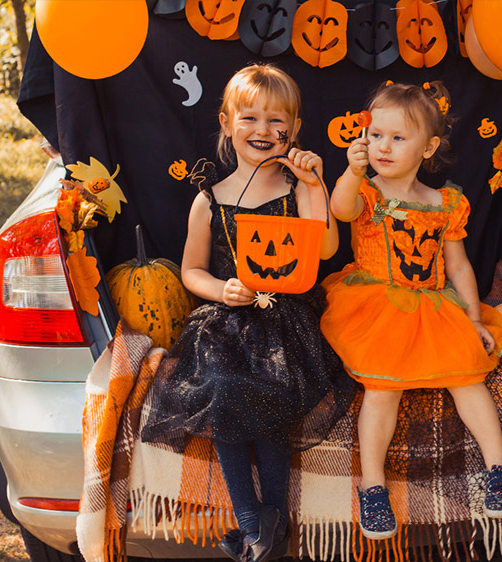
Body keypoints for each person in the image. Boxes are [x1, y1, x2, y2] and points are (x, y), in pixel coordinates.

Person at [139, 64, 356, 562]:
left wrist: (316, 184)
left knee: (271, 398)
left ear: (294, 130)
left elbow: (324, 248)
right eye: (250, 118)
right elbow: (190, 270)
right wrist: (221, 288)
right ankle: (258, 524)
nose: (263, 130)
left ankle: (260, 533)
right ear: (226, 122)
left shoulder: (298, 188)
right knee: (224, 391)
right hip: (227, 323)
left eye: (276, 121)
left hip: (288, 321)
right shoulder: (209, 201)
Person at [320, 81, 502, 540]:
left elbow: (458, 265)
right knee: (382, 389)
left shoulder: (444, 203)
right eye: (375, 136)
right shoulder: (368, 194)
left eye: (398, 138)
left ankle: (498, 470)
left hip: (432, 304)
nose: (382, 146)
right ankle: (373, 487)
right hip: (375, 302)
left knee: (466, 376)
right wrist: (351, 173)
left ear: (428, 147)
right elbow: (340, 209)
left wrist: (471, 317)